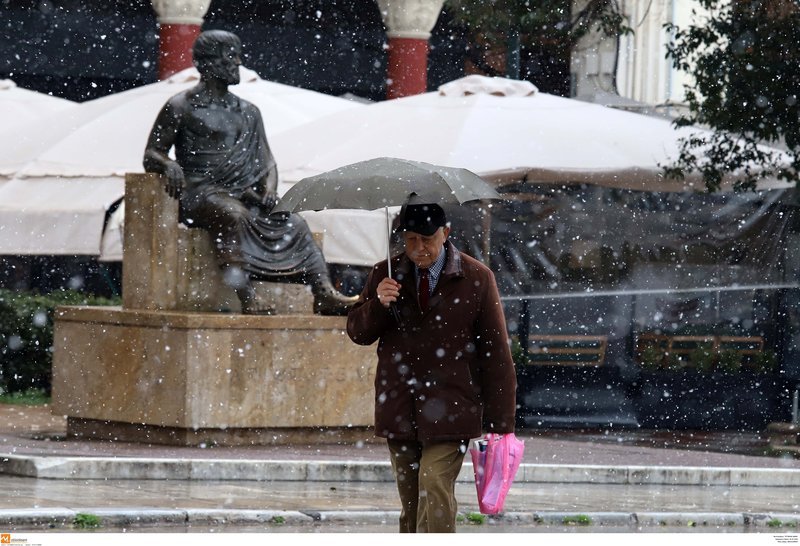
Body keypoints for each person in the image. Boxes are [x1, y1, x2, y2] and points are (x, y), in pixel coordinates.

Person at [142, 29, 356, 315]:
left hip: (243, 192)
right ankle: (246, 296)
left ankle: (323, 292)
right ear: (208, 62)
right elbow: (151, 153)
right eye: (231, 57)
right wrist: (168, 165)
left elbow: (268, 162)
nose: (238, 63)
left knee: (294, 222)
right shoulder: (181, 106)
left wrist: (269, 190)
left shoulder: (248, 111)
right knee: (234, 216)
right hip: (200, 192)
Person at [346, 202, 517, 533]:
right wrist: (378, 305)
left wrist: (502, 423)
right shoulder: (386, 274)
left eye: (427, 239)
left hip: (453, 407)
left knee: (433, 487)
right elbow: (357, 332)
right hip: (399, 406)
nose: (419, 248)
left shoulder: (477, 278)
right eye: (410, 239)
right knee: (411, 505)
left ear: (446, 234)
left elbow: (496, 354)